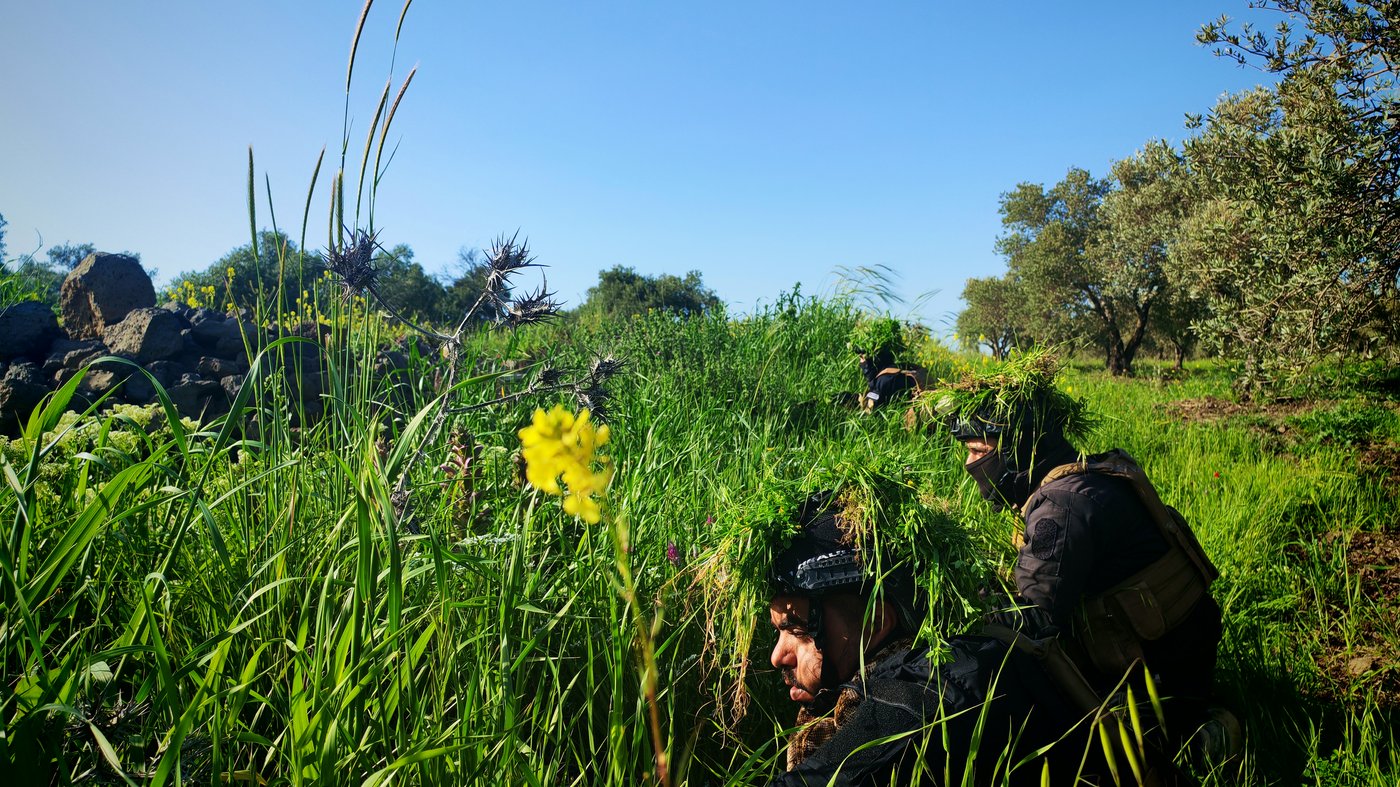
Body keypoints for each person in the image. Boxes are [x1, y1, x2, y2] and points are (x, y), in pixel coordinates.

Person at [941, 379, 1235, 759]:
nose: (970, 464)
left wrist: (961, 614)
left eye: (979, 450)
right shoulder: (1085, 473)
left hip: (1160, 675)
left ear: (1020, 446)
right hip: (1170, 650)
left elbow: (1031, 620)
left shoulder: (1061, 506)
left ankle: (1202, 737)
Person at [764, 494, 1088, 786]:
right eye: (779, 632)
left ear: (876, 622)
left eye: (798, 631)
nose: (777, 656)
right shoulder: (896, 670)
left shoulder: (921, 696)